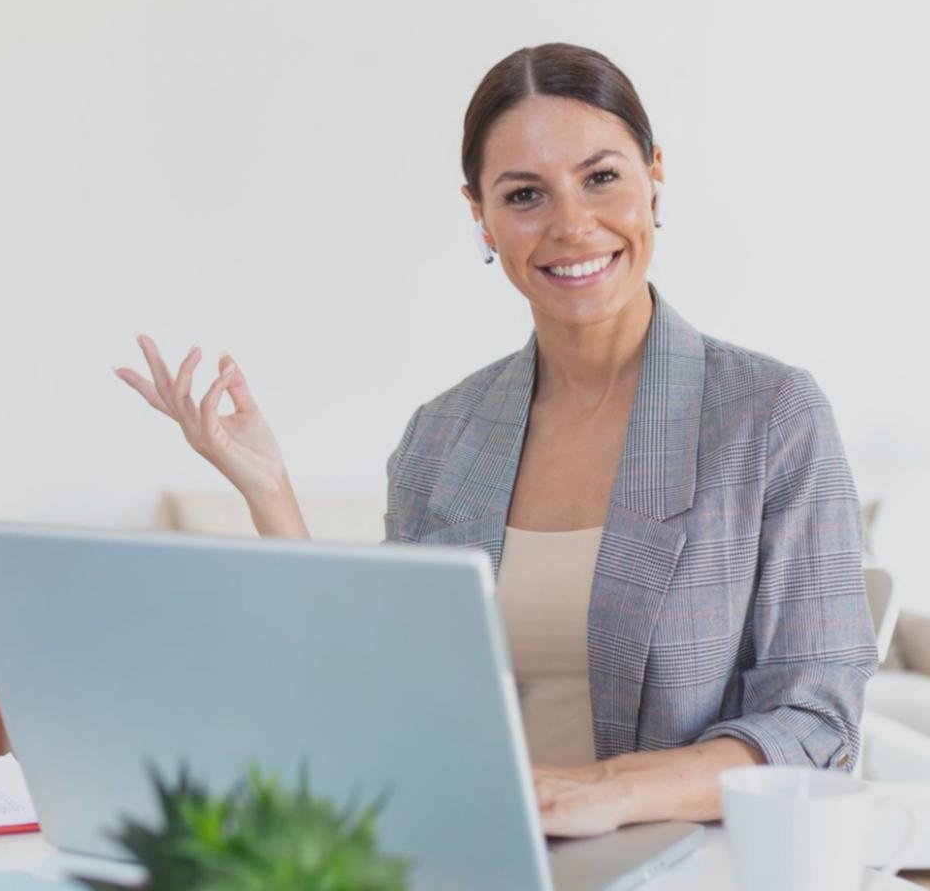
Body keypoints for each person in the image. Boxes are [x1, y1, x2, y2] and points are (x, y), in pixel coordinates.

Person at [115, 42, 878, 839]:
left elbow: (816, 725)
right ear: (478, 214)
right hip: (461, 854)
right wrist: (267, 489)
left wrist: (607, 791)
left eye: (602, 177)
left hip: (673, 876)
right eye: (524, 195)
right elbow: (379, 694)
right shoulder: (441, 436)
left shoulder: (768, 417)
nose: (572, 225)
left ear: (655, 176)